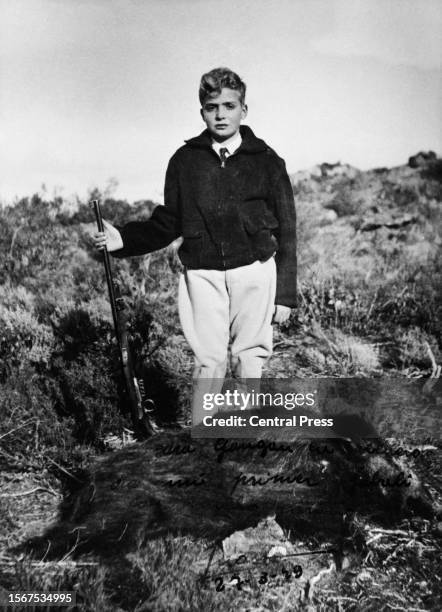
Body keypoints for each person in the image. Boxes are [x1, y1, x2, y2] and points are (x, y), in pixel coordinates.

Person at [94, 67, 296, 426]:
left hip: (255, 270)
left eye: (229, 106)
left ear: (243, 111)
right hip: (201, 274)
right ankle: (205, 436)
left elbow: (289, 230)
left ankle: (249, 435)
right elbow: (169, 221)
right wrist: (123, 239)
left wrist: (285, 294)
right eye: (212, 106)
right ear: (201, 111)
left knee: (250, 356)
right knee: (209, 359)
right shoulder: (185, 161)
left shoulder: (267, 161)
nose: (221, 114)